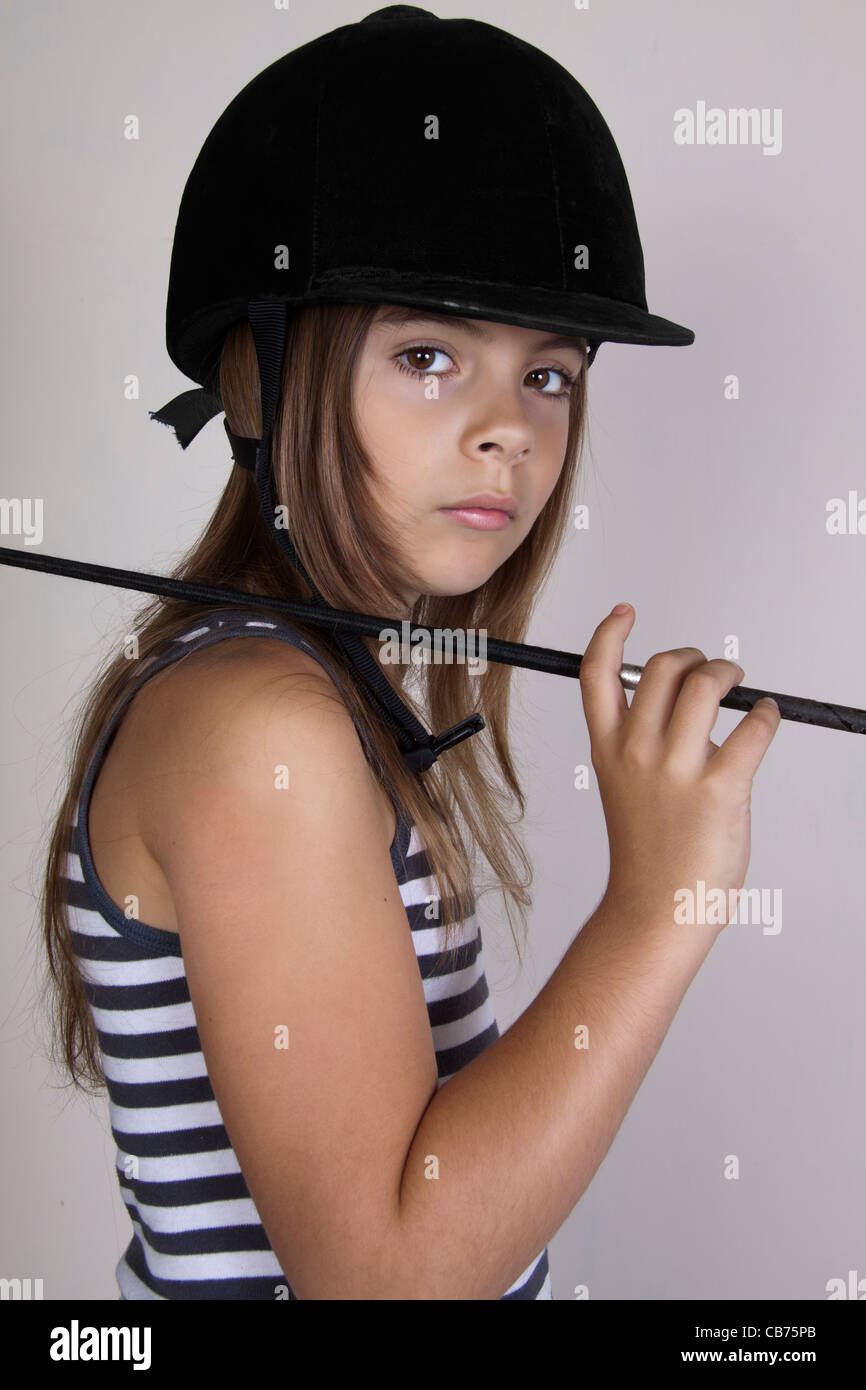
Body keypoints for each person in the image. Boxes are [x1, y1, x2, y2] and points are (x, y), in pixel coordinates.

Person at [39, 6, 781, 1300]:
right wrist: (662, 904)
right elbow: (387, 1280)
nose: (508, 431)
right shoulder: (261, 724)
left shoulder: (313, 692)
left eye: (548, 374)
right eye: (429, 356)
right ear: (261, 383)